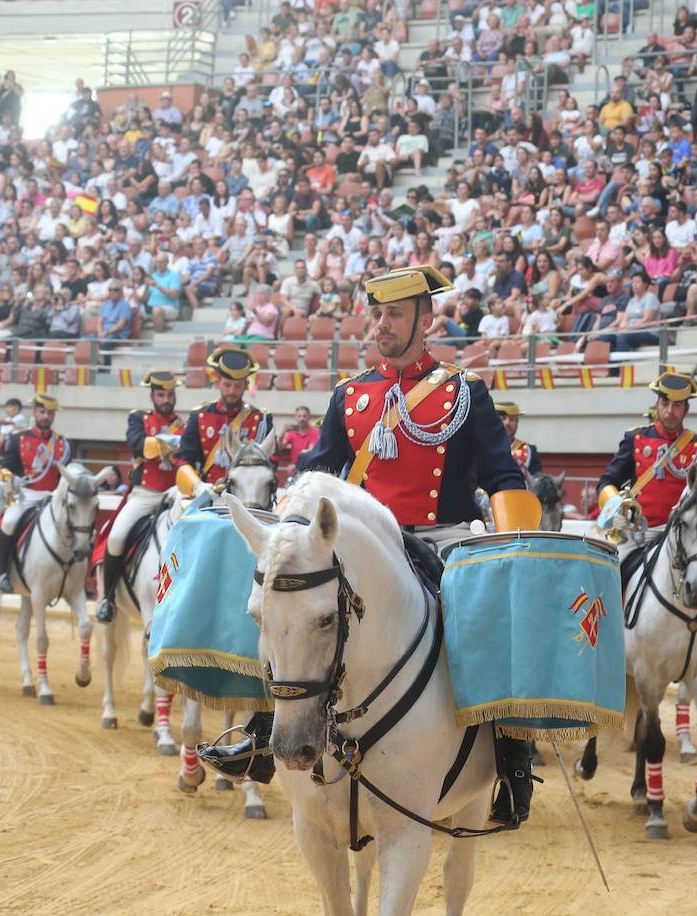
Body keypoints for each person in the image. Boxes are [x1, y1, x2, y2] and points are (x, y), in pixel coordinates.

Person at [216, 265, 543, 829]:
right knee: (288, 608)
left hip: (442, 539)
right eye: (376, 313)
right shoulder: (350, 395)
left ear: (426, 318)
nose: (380, 324)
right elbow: (319, 471)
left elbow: (503, 477)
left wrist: (513, 542)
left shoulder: (465, 393)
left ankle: (513, 762)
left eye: (393, 313)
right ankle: (263, 729)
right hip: (367, 543)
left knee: (494, 626)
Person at [595, 373, 697, 685]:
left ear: (686, 409)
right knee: (608, 578)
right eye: (665, 403)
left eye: (677, 406)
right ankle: (604, 648)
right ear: (657, 404)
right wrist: (617, 504)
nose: (670, 411)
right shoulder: (635, 439)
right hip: (640, 534)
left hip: (684, 539)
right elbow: (606, 482)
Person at [96, 372, 186, 624]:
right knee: (116, 537)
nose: (166, 400)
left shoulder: (183, 424)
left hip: (174, 495)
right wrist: (172, 443)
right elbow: (136, 445)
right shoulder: (139, 418)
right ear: (152, 396)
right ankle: (108, 598)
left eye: (170, 395)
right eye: (161, 395)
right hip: (145, 495)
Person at [0, 394, 72, 593]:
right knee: (9, 522)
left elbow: (67, 474)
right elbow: (5, 467)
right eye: (42, 412)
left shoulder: (62, 443)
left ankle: (76, 578)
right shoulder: (18, 437)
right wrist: (9, 485)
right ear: (35, 412)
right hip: (26, 495)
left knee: (77, 528)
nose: (46, 416)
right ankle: (4, 573)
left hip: (53, 496)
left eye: (50, 413)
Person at [173, 346, 273, 497]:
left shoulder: (260, 419)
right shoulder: (199, 415)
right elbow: (183, 459)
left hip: (247, 498)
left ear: (246, 385)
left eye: (237, 386)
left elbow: (272, 459)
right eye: (227, 385)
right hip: (207, 493)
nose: (232, 391)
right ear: (217, 382)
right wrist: (198, 487)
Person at [494, 400, 543, 474]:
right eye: (503, 419)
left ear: (517, 422)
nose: (507, 423)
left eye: (512, 419)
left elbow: (536, 480)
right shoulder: (482, 448)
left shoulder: (529, 451)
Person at [277, 405, 320, 477]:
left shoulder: (315, 432)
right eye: (299, 416)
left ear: (309, 417)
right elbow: (280, 448)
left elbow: (310, 452)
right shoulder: (292, 433)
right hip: (294, 472)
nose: (302, 419)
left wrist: (296, 466)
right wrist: (282, 432)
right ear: (295, 417)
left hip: (309, 471)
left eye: (304, 416)